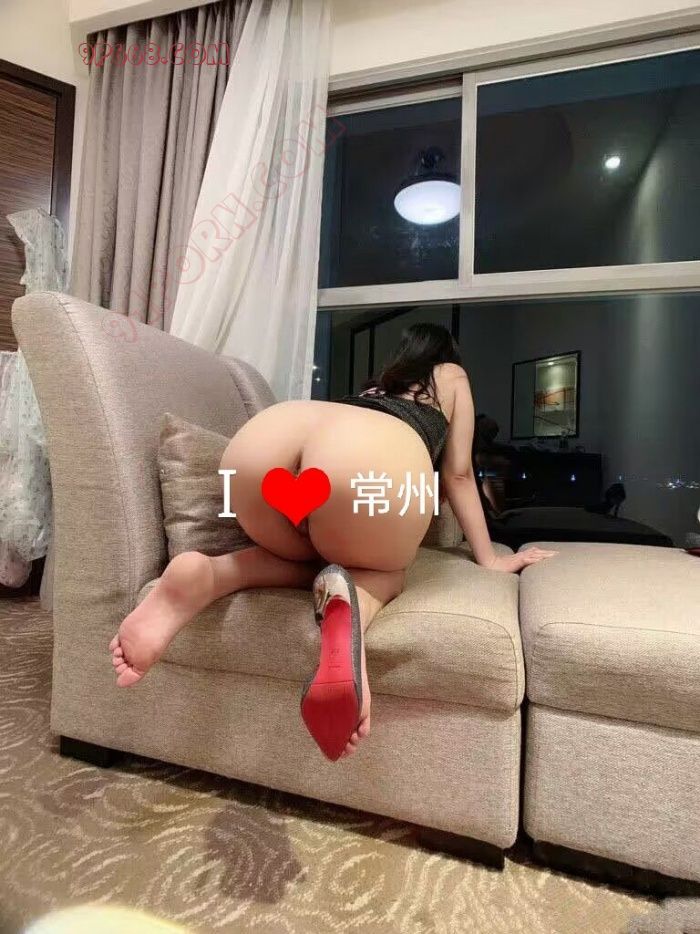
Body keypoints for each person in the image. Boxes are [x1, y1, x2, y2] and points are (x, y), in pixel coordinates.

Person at [109, 323, 555, 760]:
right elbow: (457, 474)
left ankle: (214, 573)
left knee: (318, 555)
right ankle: (350, 614)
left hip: (267, 440)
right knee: (387, 568)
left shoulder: (375, 388)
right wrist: (489, 558)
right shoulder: (450, 374)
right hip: (367, 455)